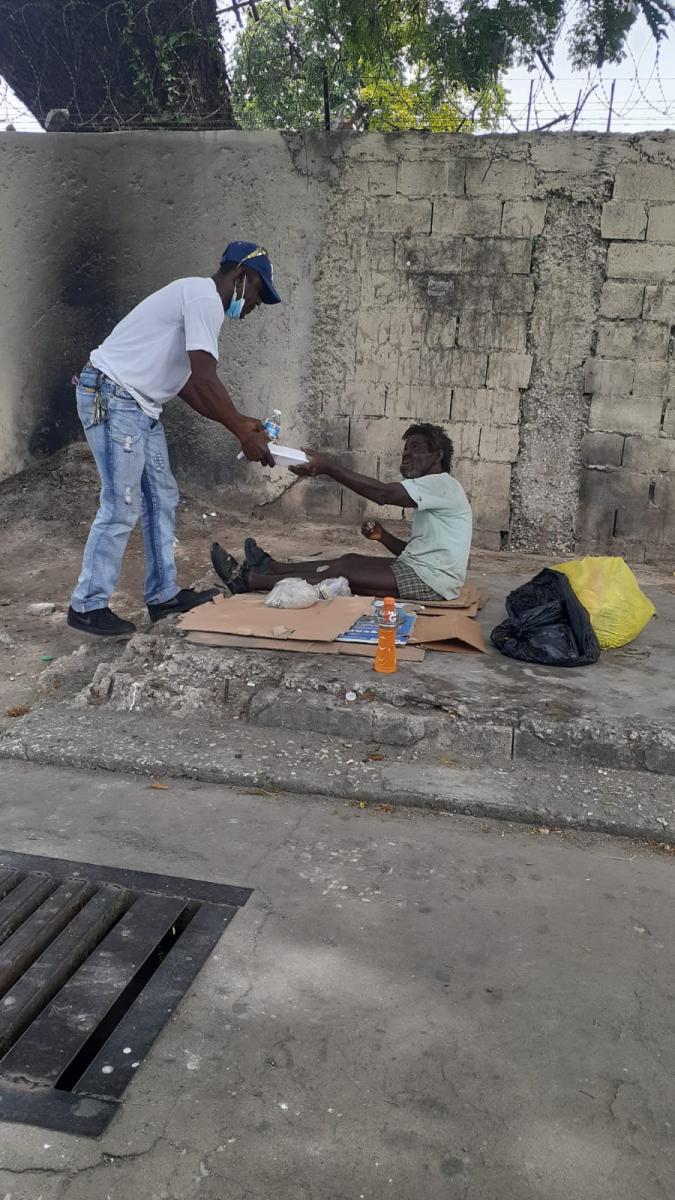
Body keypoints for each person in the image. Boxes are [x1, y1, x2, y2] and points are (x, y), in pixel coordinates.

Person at [68, 242, 281, 638]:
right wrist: (240, 432)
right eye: (258, 292)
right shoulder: (203, 298)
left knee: (161, 497)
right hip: (115, 397)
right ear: (241, 277)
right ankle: (87, 605)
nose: (256, 304)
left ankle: (163, 595)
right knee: (121, 504)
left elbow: (189, 385)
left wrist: (239, 422)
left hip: (140, 405)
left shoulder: (200, 303)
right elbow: (204, 377)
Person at [210, 423, 472, 601]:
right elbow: (418, 552)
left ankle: (249, 580)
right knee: (346, 560)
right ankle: (272, 567)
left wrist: (328, 467)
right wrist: (383, 537)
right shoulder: (437, 489)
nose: (405, 455)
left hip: (432, 583)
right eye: (405, 450)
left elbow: (383, 494)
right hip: (423, 571)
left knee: (340, 574)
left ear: (437, 455)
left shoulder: (442, 484)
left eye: (415, 448)